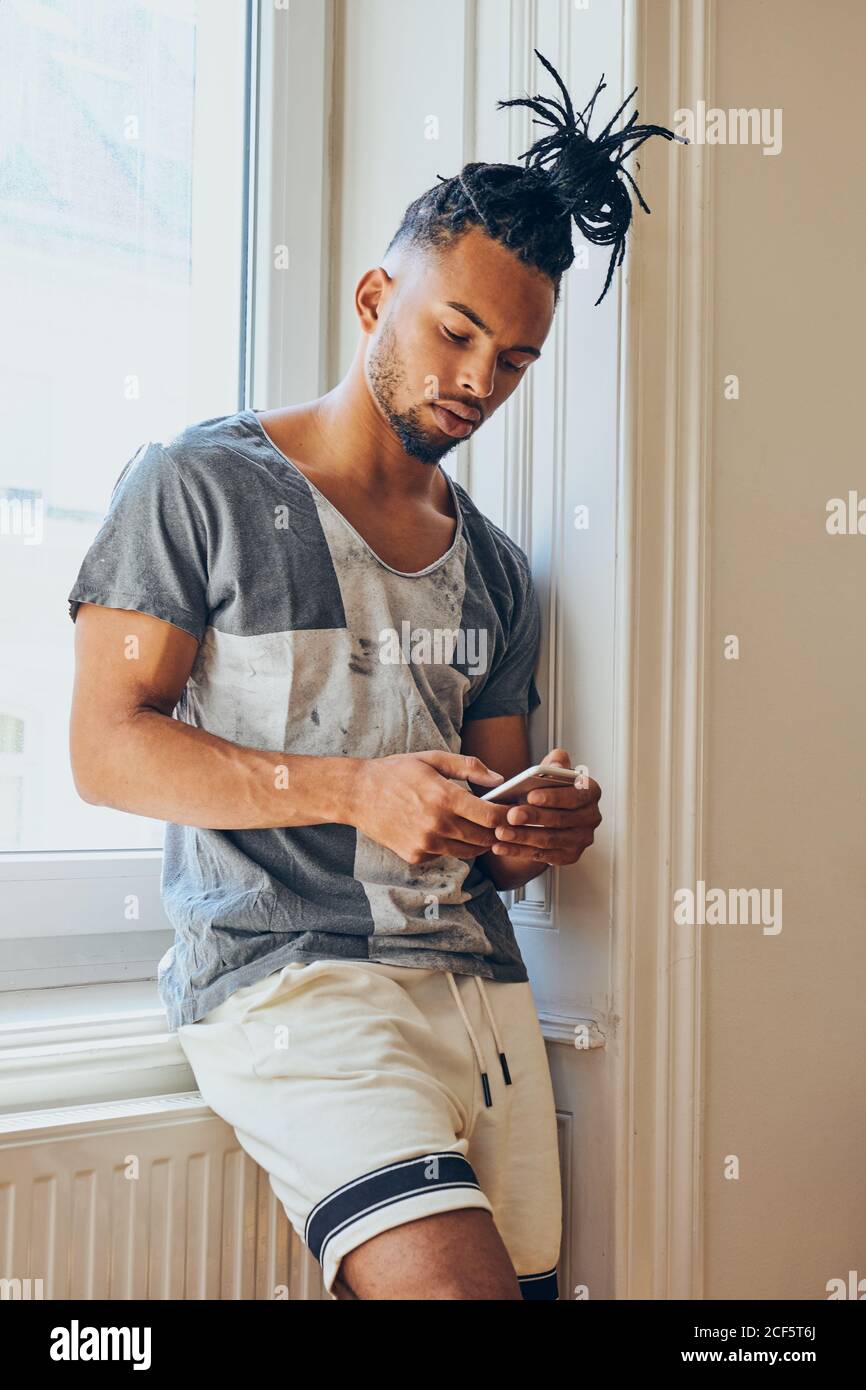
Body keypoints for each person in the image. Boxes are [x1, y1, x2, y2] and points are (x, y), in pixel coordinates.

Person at [67, 51, 684, 1301]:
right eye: (454, 330)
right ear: (370, 297)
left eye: (511, 361)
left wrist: (536, 826)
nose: (474, 381)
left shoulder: (498, 572)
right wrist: (356, 789)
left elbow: (491, 824)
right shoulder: (196, 486)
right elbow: (104, 748)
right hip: (294, 985)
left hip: (479, 1003)